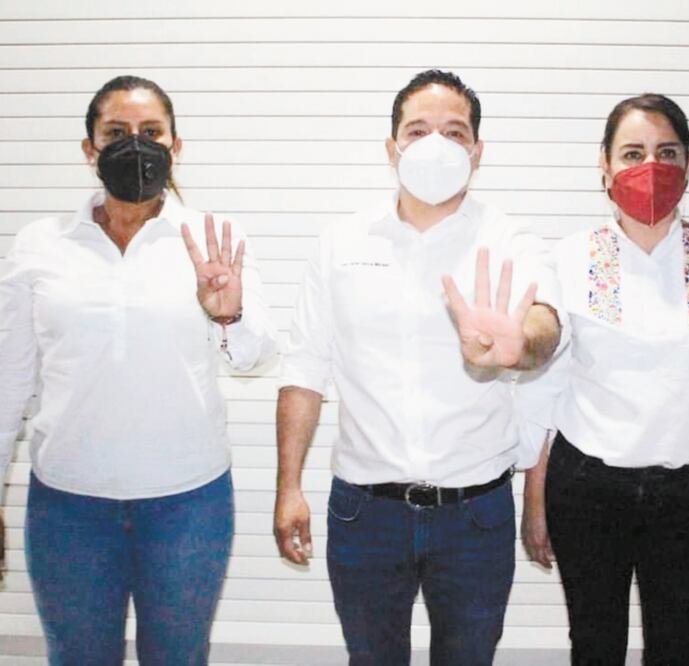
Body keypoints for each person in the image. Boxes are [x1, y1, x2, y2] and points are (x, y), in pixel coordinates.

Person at [273, 69, 564, 666]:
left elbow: (545, 326)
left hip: (476, 516)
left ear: (477, 152)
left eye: (455, 132)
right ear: (392, 148)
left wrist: (520, 345)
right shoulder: (341, 243)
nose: (436, 145)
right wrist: (287, 487)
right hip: (364, 512)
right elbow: (303, 370)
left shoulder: (511, 238)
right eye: (418, 130)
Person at [0, 75, 277, 665]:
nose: (136, 145)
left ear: (176, 147)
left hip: (187, 504)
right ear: (88, 149)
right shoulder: (39, 245)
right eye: (116, 133)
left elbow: (255, 356)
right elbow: (9, 382)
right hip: (67, 506)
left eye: (151, 133)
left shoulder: (213, 239)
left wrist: (230, 314)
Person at [521, 93, 689, 665]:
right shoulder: (570, 257)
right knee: (594, 646)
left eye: (666, 152)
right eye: (632, 153)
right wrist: (535, 497)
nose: (650, 167)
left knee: (681, 650)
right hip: (587, 488)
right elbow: (550, 385)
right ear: (604, 165)